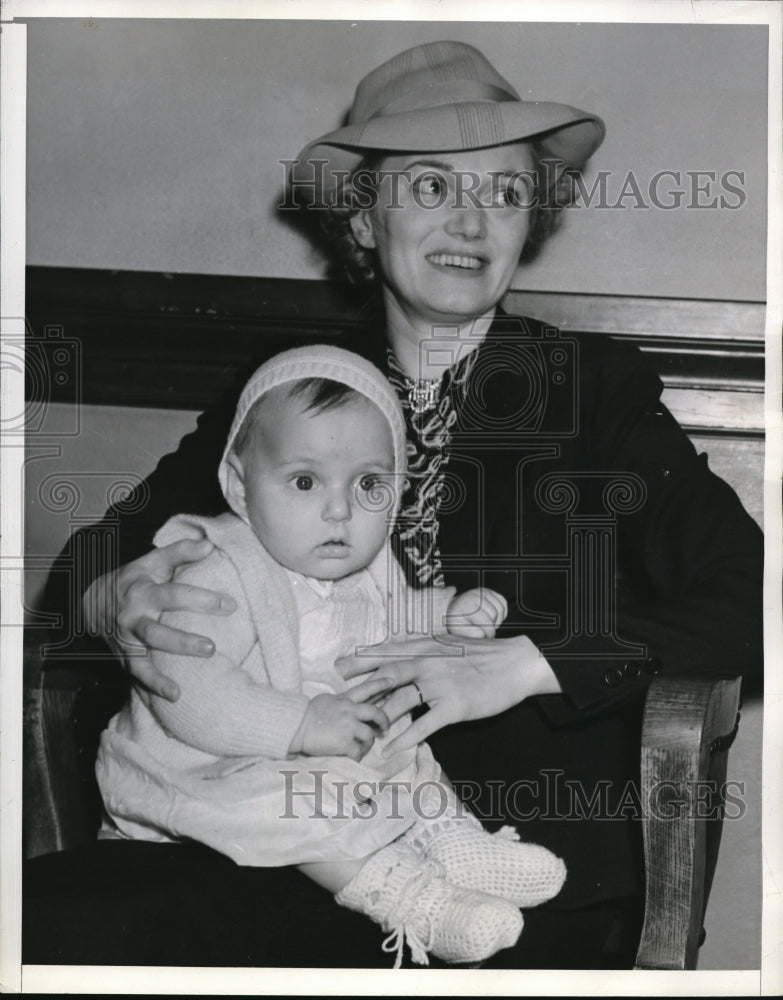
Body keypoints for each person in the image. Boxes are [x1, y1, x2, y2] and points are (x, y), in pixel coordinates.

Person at [42, 41, 763, 969]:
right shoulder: (284, 396)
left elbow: (752, 590)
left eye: (503, 193)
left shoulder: (593, 391)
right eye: (428, 188)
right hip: (281, 842)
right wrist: (119, 597)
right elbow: (87, 568)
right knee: (55, 920)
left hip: (513, 862)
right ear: (360, 221)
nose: (470, 221)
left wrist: (528, 661)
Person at [95, 344, 567, 967]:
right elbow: (194, 698)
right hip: (212, 765)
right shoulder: (215, 569)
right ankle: (408, 897)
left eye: (369, 484)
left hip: (333, 746)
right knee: (294, 805)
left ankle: (454, 844)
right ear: (240, 486)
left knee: (407, 750)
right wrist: (300, 724)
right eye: (304, 481)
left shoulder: (366, 564)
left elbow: (390, 620)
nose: (340, 509)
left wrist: (447, 616)